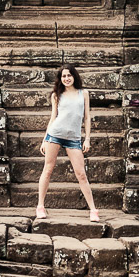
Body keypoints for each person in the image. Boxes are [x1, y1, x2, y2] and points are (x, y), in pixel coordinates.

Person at [36, 64, 99, 222]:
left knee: (81, 175)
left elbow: (87, 117)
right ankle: (40, 207)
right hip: (55, 135)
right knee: (48, 170)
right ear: (60, 78)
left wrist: (87, 138)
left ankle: (93, 210)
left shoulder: (83, 93)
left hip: (74, 138)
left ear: (74, 76)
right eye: (63, 76)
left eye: (69, 75)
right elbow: (53, 118)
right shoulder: (57, 95)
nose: (66, 78)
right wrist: (45, 139)